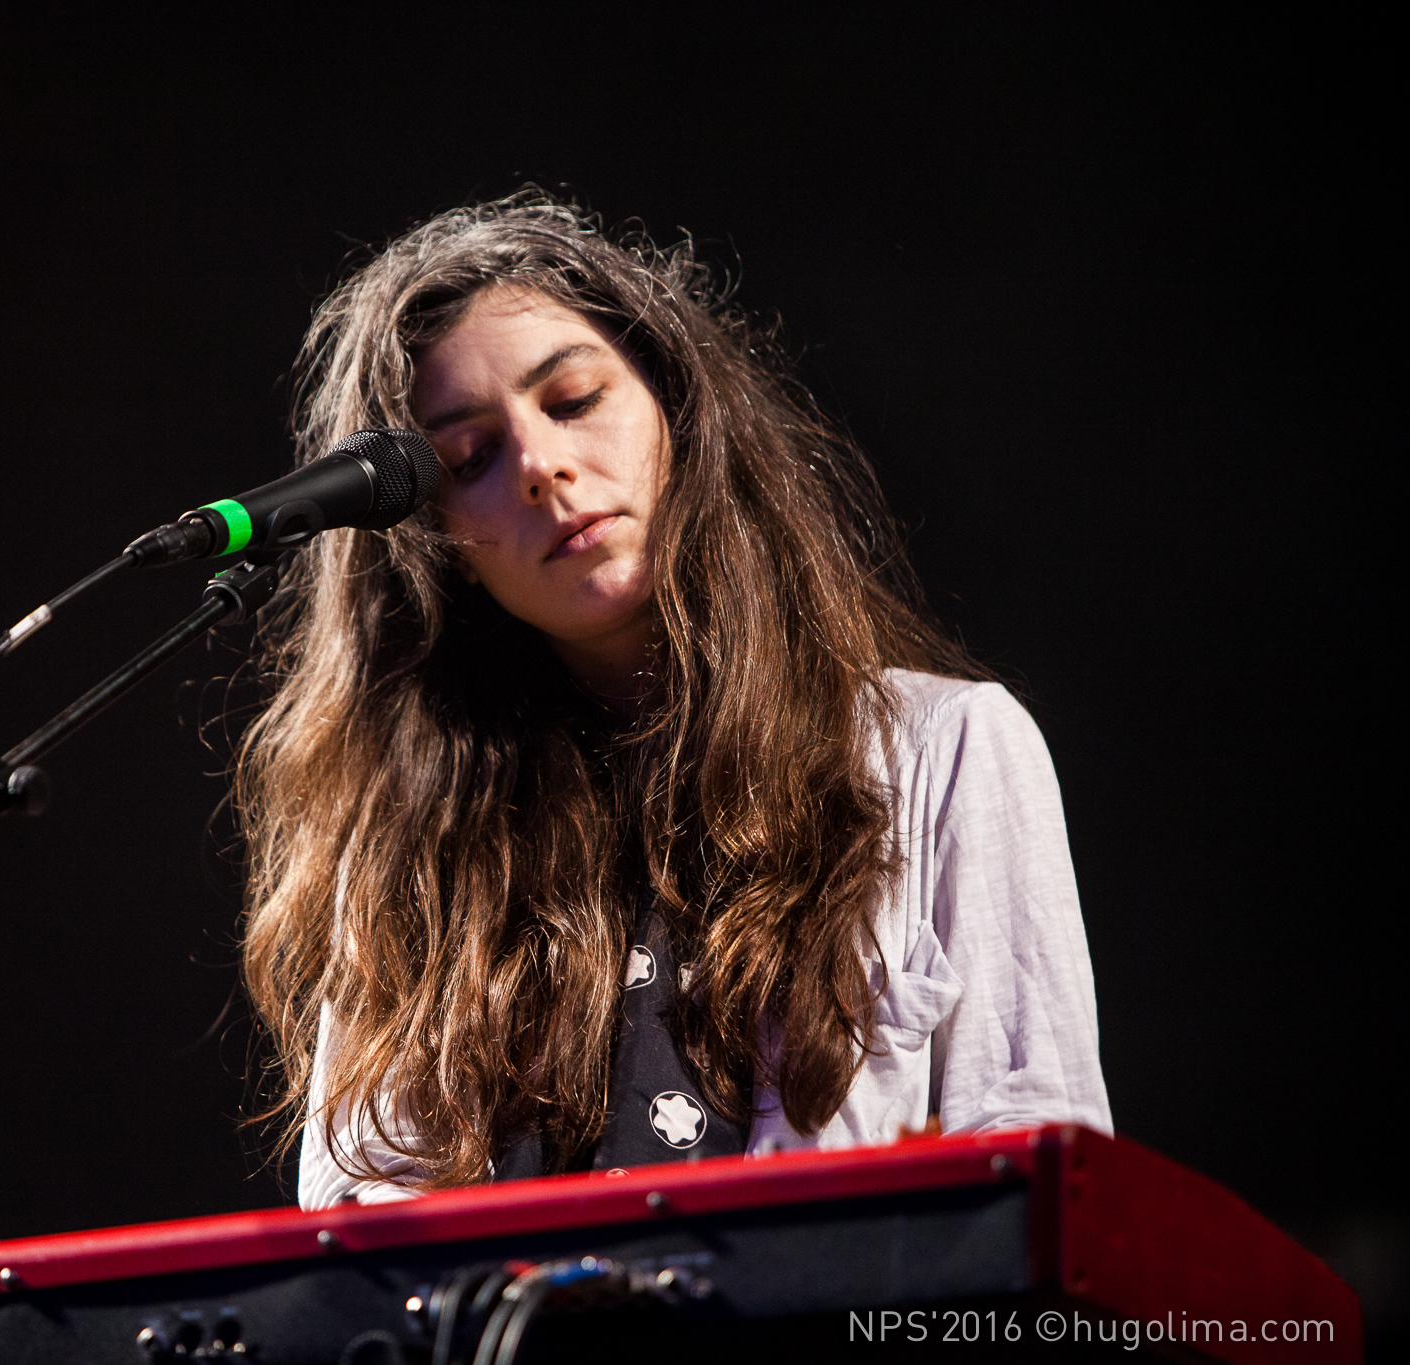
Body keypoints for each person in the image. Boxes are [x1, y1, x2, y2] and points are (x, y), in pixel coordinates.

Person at [232, 196, 1110, 1210]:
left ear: (674, 410)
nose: (542, 467)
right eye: (471, 461)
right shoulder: (407, 851)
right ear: (441, 552)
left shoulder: (944, 752)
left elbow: (1047, 1192)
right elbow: (353, 1240)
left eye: (570, 401)